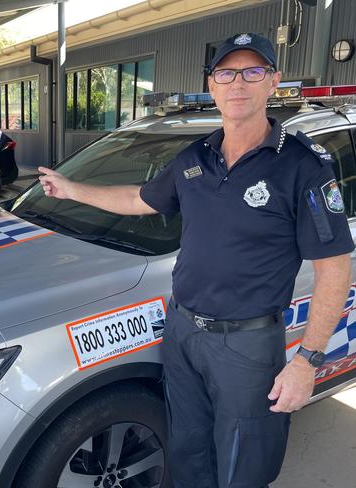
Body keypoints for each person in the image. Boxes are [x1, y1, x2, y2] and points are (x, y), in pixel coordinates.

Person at [38, 32, 354, 488]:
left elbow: (334, 266)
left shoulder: (301, 165)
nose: (238, 83)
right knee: (188, 451)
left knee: (244, 465)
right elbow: (139, 198)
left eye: (253, 72)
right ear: (212, 84)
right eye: (226, 73)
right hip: (183, 332)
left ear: (273, 82)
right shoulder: (195, 157)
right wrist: (71, 190)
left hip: (246, 345)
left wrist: (306, 361)